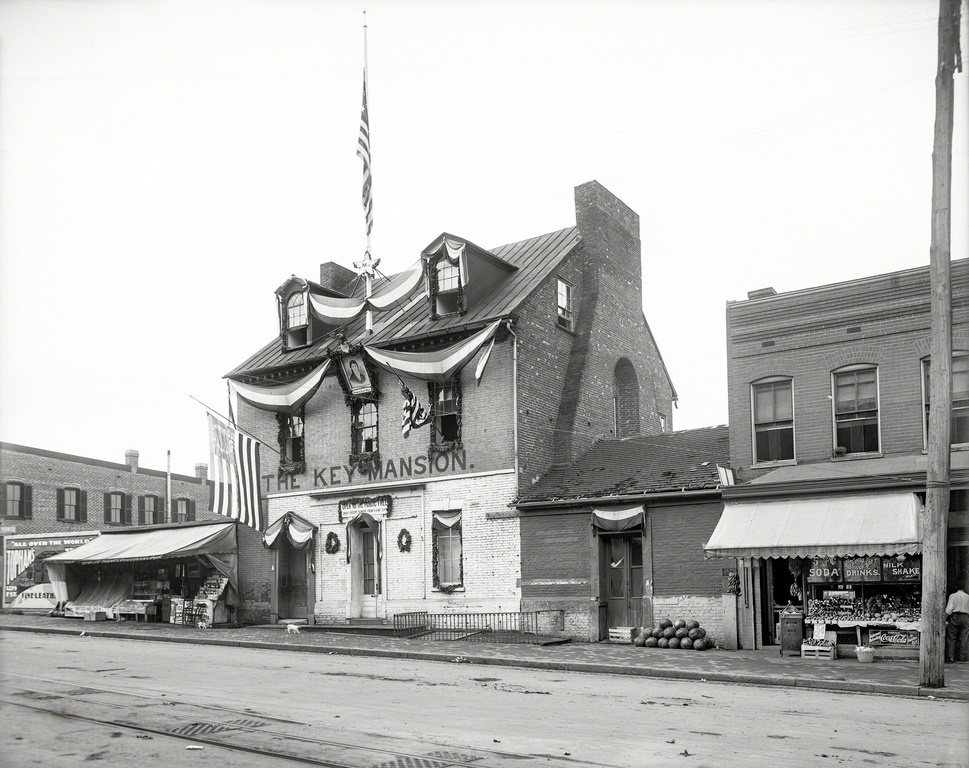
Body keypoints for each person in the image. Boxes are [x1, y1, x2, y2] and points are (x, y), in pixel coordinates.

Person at [945, 581, 969, 663]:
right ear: (965, 588)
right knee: (964, 637)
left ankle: (951, 657)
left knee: (951, 637)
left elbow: (949, 609)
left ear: (956, 587)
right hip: (966, 617)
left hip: (955, 616)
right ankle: (962, 657)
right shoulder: (967, 597)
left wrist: (944, 618)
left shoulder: (953, 596)